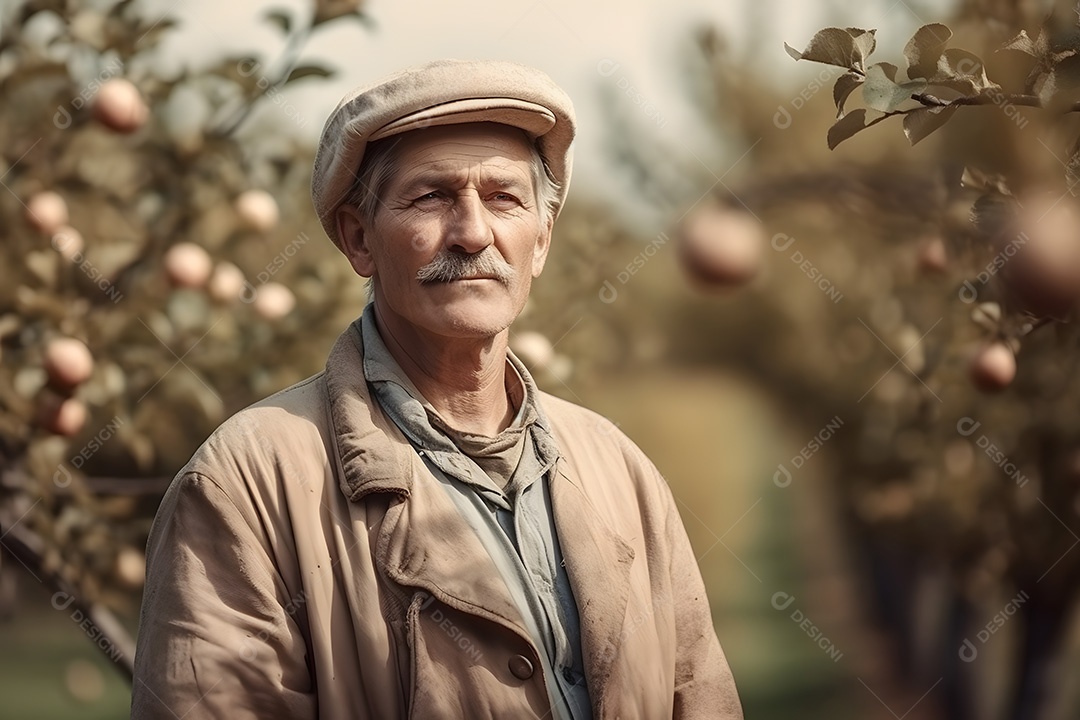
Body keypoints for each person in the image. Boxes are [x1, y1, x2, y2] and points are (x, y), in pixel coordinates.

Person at [131, 59, 743, 719]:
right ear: (359, 239)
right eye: (431, 197)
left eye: (504, 198)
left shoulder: (619, 469)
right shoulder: (250, 480)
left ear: (540, 241)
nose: (474, 232)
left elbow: (699, 695)